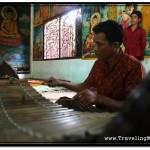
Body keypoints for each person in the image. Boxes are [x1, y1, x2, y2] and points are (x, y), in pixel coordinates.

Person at [45, 20, 143, 112]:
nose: (95, 49)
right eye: (95, 43)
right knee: (63, 101)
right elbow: (84, 86)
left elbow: (133, 106)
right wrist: (61, 83)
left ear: (115, 45)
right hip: (100, 112)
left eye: (99, 45)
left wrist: (99, 99)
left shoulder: (132, 65)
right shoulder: (99, 63)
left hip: (120, 119)